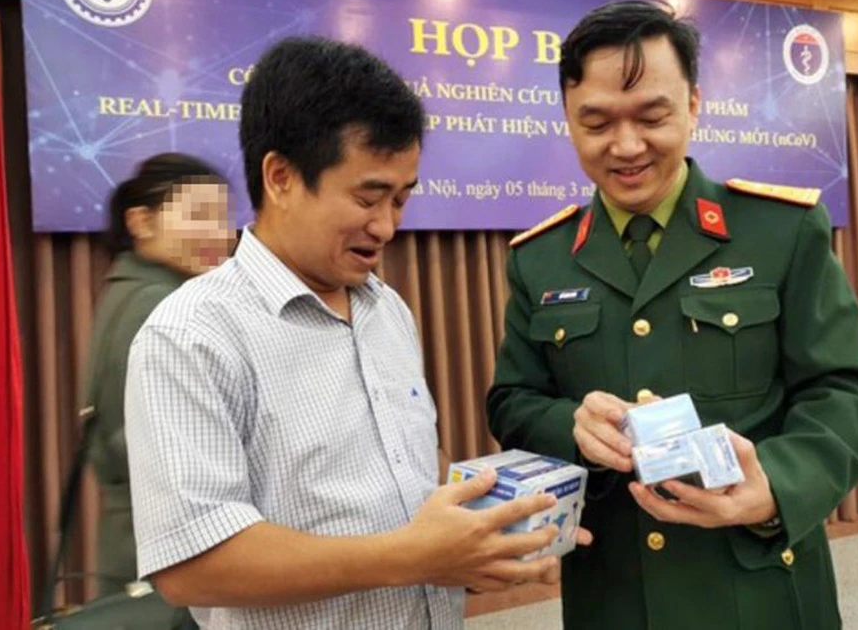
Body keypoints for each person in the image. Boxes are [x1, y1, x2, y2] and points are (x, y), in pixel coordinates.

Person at [124, 37, 577, 630]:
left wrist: (481, 535)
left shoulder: (387, 310)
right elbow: (192, 565)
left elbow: (412, 466)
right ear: (281, 177)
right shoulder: (191, 335)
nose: (386, 226)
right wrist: (413, 556)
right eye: (368, 197)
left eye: (402, 199)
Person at [486, 0, 858, 630]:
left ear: (694, 104)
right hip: (614, 598)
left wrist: (777, 486)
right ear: (567, 118)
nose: (626, 146)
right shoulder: (541, 259)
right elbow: (514, 401)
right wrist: (572, 427)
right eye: (597, 122)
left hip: (760, 587)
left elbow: (845, 392)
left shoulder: (779, 231)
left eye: (652, 117)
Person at [83, 152, 232, 604]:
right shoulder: (160, 307)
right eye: (199, 216)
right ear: (141, 222)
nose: (220, 234)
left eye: (223, 218)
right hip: (165, 558)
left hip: (138, 549)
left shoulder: (133, 290)